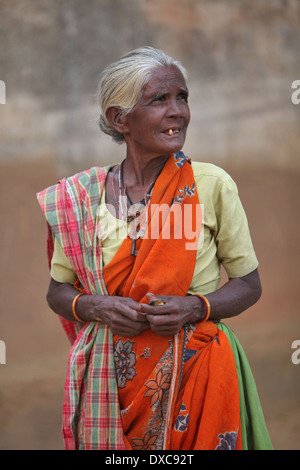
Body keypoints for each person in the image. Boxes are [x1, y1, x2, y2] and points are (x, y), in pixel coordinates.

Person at [37, 46, 273, 450]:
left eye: (182, 97)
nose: (178, 111)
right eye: (159, 100)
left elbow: (249, 284)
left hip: (198, 372)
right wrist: (98, 307)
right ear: (119, 119)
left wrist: (197, 307)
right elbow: (58, 291)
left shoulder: (211, 184)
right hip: (110, 384)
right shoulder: (81, 197)